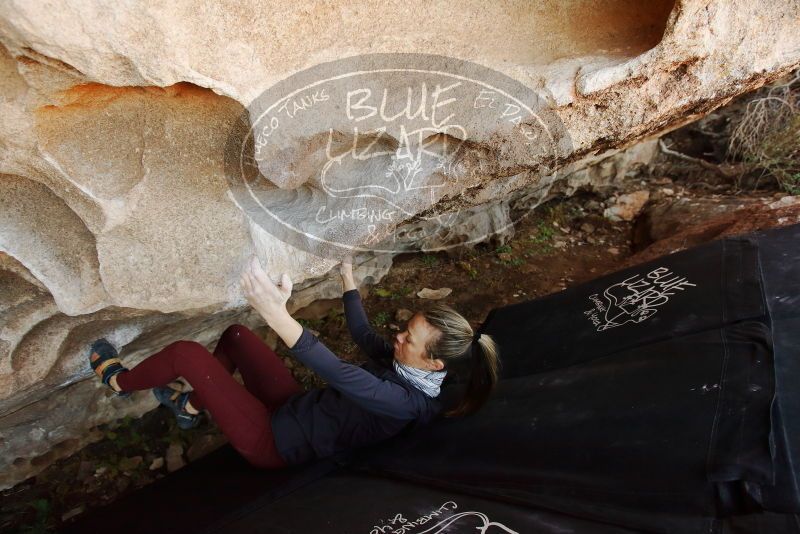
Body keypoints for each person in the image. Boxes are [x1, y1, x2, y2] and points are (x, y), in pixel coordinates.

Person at [88, 255, 501, 469]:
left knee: (186, 354)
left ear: (434, 365)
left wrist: (276, 314)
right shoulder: (409, 365)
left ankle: (119, 383)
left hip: (277, 443)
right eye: (404, 328)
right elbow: (364, 335)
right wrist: (347, 276)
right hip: (297, 411)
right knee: (236, 336)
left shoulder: (405, 402)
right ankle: (190, 406)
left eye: (408, 339)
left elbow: (336, 371)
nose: (397, 337)